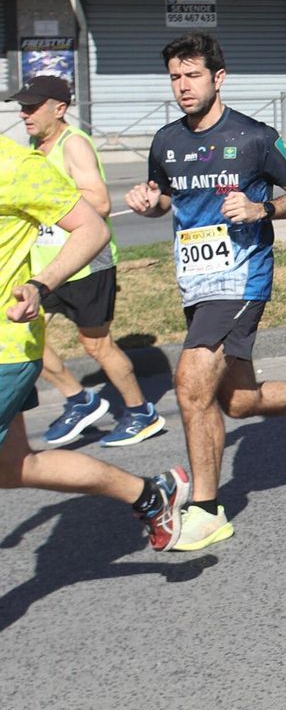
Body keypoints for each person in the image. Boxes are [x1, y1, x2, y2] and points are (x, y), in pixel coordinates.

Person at [125, 32, 286, 551]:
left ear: (218, 78)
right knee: (237, 400)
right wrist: (149, 202)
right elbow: (166, 200)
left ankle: (206, 509)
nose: (183, 87)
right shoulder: (165, 141)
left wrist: (262, 209)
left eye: (193, 76)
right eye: (175, 78)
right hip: (196, 281)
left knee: (190, 382)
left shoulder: (254, 137)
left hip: (243, 276)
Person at [1, 134, 190, 551]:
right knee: (14, 466)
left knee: (96, 343)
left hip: (5, 349)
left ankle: (137, 413)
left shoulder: (16, 165)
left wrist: (39, 284)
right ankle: (149, 493)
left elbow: (93, 225)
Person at [8, 76, 162, 447]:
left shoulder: (72, 144)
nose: (24, 113)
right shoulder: (32, 145)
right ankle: (80, 399)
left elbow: (101, 202)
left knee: (96, 345)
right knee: (23, 335)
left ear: (59, 109)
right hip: (48, 267)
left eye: (33, 106)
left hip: (85, 265)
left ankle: (141, 413)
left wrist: (50, 198)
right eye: (23, 106)